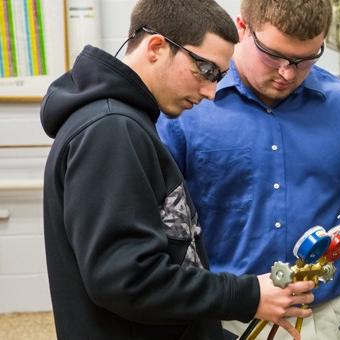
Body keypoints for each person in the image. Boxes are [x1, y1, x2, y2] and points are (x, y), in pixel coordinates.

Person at [156, 0, 340, 338]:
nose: (287, 73)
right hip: (224, 319)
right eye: (273, 55)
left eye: (305, 60)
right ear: (242, 29)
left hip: (323, 318)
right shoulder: (188, 111)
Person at [40, 1, 315, 339]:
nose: (212, 92)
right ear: (156, 47)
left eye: (220, 76)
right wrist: (248, 295)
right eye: (206, 70)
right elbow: (129, 280)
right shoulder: (111, 129)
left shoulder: (127, 121)